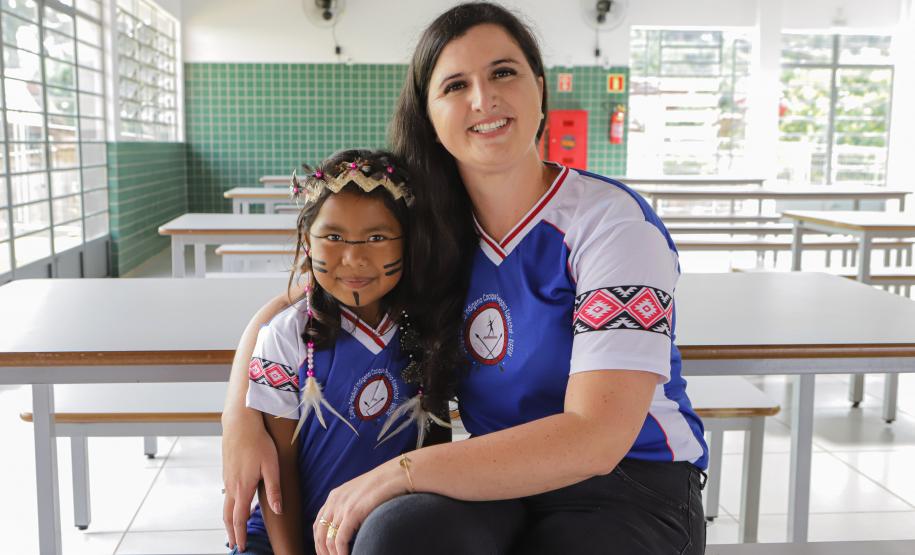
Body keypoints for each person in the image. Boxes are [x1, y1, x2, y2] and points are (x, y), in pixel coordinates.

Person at [222, 4, 708, 554]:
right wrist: (238, 417)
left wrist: (403, 471)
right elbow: (300, 304)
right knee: (393, 536)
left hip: (628, 483)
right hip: (497, 479)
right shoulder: (434, 230)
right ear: (429, 116)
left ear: (539, 88)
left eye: (504, 72)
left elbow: (597, 437)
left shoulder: (610, 224)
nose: (483, 98)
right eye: (455, 85)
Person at [227, 149, 450, 555]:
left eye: (377, 238)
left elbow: (434, 453)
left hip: (383, 533)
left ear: (408, 243)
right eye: (333, 237)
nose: (354, 258)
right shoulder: (286, 337)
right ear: (307, 243)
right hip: (284, 537)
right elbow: (279, 475)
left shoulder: (428, 329)